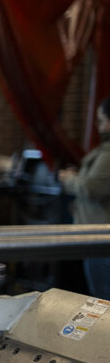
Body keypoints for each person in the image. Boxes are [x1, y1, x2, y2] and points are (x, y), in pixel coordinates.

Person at [59, 96, 110, 299]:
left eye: (100, 121)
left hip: (100, 240)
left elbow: (92, 187)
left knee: (102, 301)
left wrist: (70, 179)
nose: (98, 127)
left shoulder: (108, 154)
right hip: (95, 236)